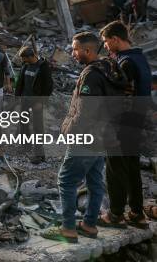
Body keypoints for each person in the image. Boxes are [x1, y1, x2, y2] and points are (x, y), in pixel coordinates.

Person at [41, 32, 125, 243]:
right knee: (95, 181)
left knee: (66, 180)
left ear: (87, 51)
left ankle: (68, 228)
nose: (72, 53)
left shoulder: (91, 75)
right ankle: (89, 225)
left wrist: (67, 130)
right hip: (103, 138)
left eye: (75, 49)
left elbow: (85, 112)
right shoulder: (108, 69)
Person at [99, 21, 152, 229]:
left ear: (115, 39)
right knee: (131, 167)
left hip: (122, 123)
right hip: (136, 122)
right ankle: (137, 214)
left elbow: (119, 95)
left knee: (115, 168)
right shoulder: (140, 59)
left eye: (106, 42)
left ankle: (115, 214)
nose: (105, 46)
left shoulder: (126, 63)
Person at [14, 46, 53, 164]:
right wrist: (17, 96)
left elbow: (48, 87)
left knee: (37, 128)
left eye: (25, 59)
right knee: (23, 124)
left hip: (36, 102)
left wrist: (41, 102)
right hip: (25, 100)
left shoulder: (43, 67)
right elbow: (20, 81)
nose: (24, 61)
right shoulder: (25, 65)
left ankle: (39, 154)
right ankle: (26, 147)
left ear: (32, 56)